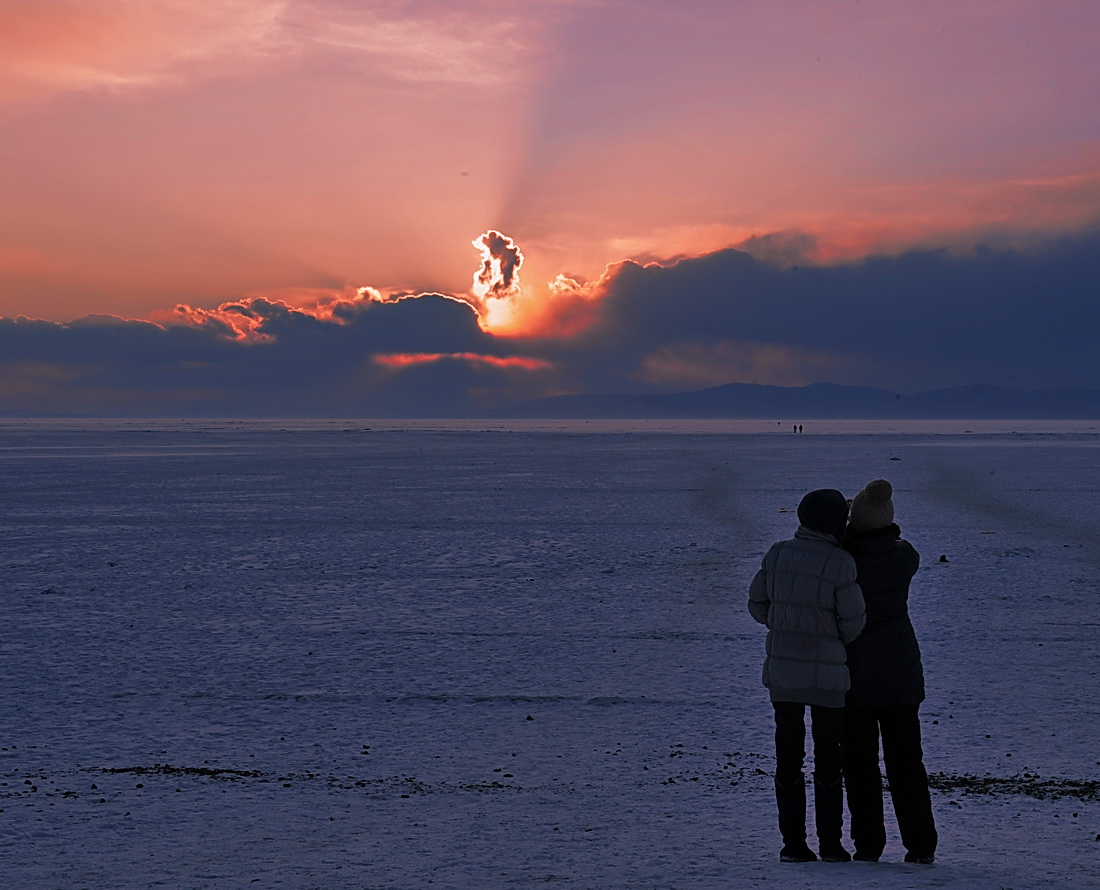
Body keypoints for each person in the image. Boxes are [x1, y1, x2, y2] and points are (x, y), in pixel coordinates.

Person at [749, 489, 866, 862]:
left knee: (788, 757)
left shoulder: (778, 553)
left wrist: (784, 628)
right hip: (827, 678)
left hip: (783, 674)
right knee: (828, 758)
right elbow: (853, 620)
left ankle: (793, 845)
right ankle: (831, 844)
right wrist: (829, 638)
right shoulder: (841, 562)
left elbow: (757, 604)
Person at [841, 479, 938, 864]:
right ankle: (921, 844)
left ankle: (868, 845)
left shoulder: (845, 561)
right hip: (901, 674)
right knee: (907, 763)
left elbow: (849, 542)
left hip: (855, 675)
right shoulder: (904, 557)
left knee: (860, 764)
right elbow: (890, 542)